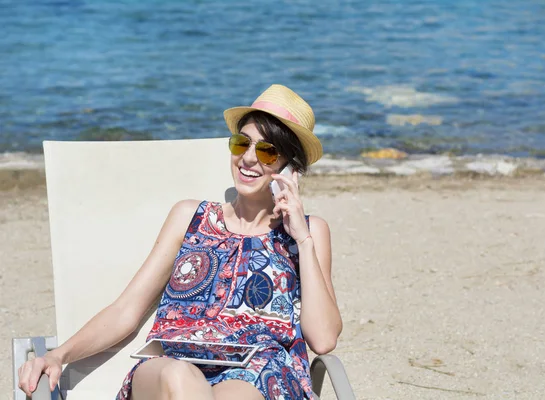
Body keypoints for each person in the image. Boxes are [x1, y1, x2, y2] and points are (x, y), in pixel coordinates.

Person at [18, 84, 343, 400]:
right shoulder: (189, 217)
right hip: (170, 366)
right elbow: (126, 309)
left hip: (257, 373)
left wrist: (302, 238)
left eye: (267, 151)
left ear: (291, 167)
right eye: (241, 143)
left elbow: (324, 338)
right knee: (178, 376)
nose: (247, 159)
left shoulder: (308, 233)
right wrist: (58, 355)